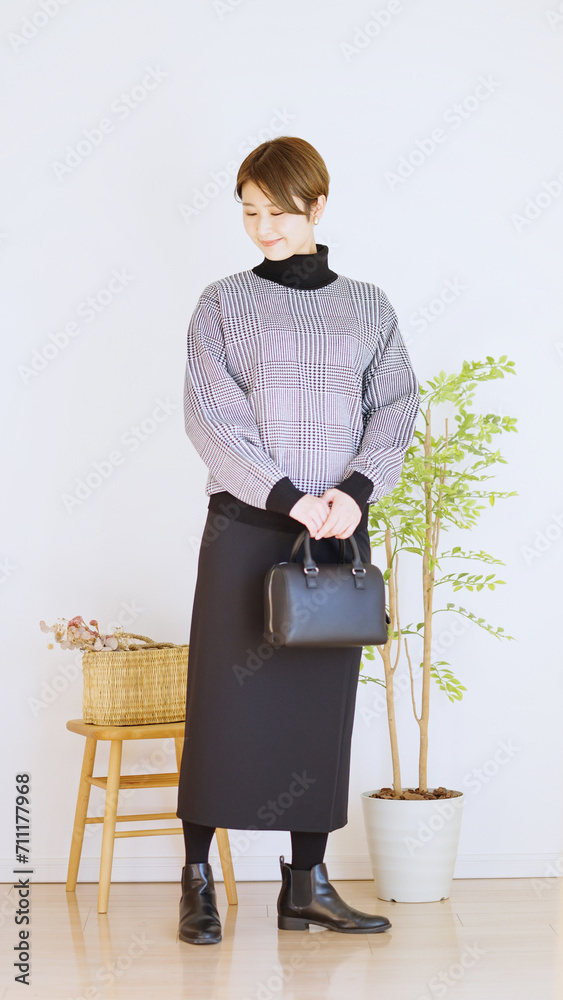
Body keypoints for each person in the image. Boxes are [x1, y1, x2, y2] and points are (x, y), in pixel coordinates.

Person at [175, 135, 420, 945]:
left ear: (317, 205)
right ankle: (197, 880)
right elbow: (211, 417)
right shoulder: (221, 302)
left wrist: (353, 492)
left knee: (319, 710)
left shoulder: (369, 307)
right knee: (222, 703)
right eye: (249, 212)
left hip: (336, 537)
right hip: (247, 528)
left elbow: (395, 406)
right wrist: (288, 498)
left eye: (278, 212)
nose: (263, 228)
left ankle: (305, 887)